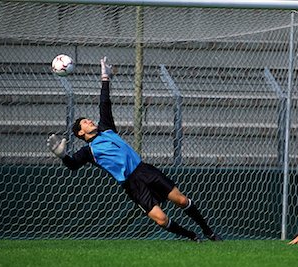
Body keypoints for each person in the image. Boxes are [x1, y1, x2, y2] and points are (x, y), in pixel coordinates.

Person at [47, 57, 221, 242]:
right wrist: (63, 155)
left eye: (88, 119)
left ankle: (208, 231)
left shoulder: (106, 128)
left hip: (145, 170)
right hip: (131, 184)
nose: (90, 121)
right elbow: (73, 165)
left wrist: (105, 77)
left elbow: (105, 104)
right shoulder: (88, 152)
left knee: (182, 201)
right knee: (161, 220)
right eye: (85, 122)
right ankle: (192, 236)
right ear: (81, 132)